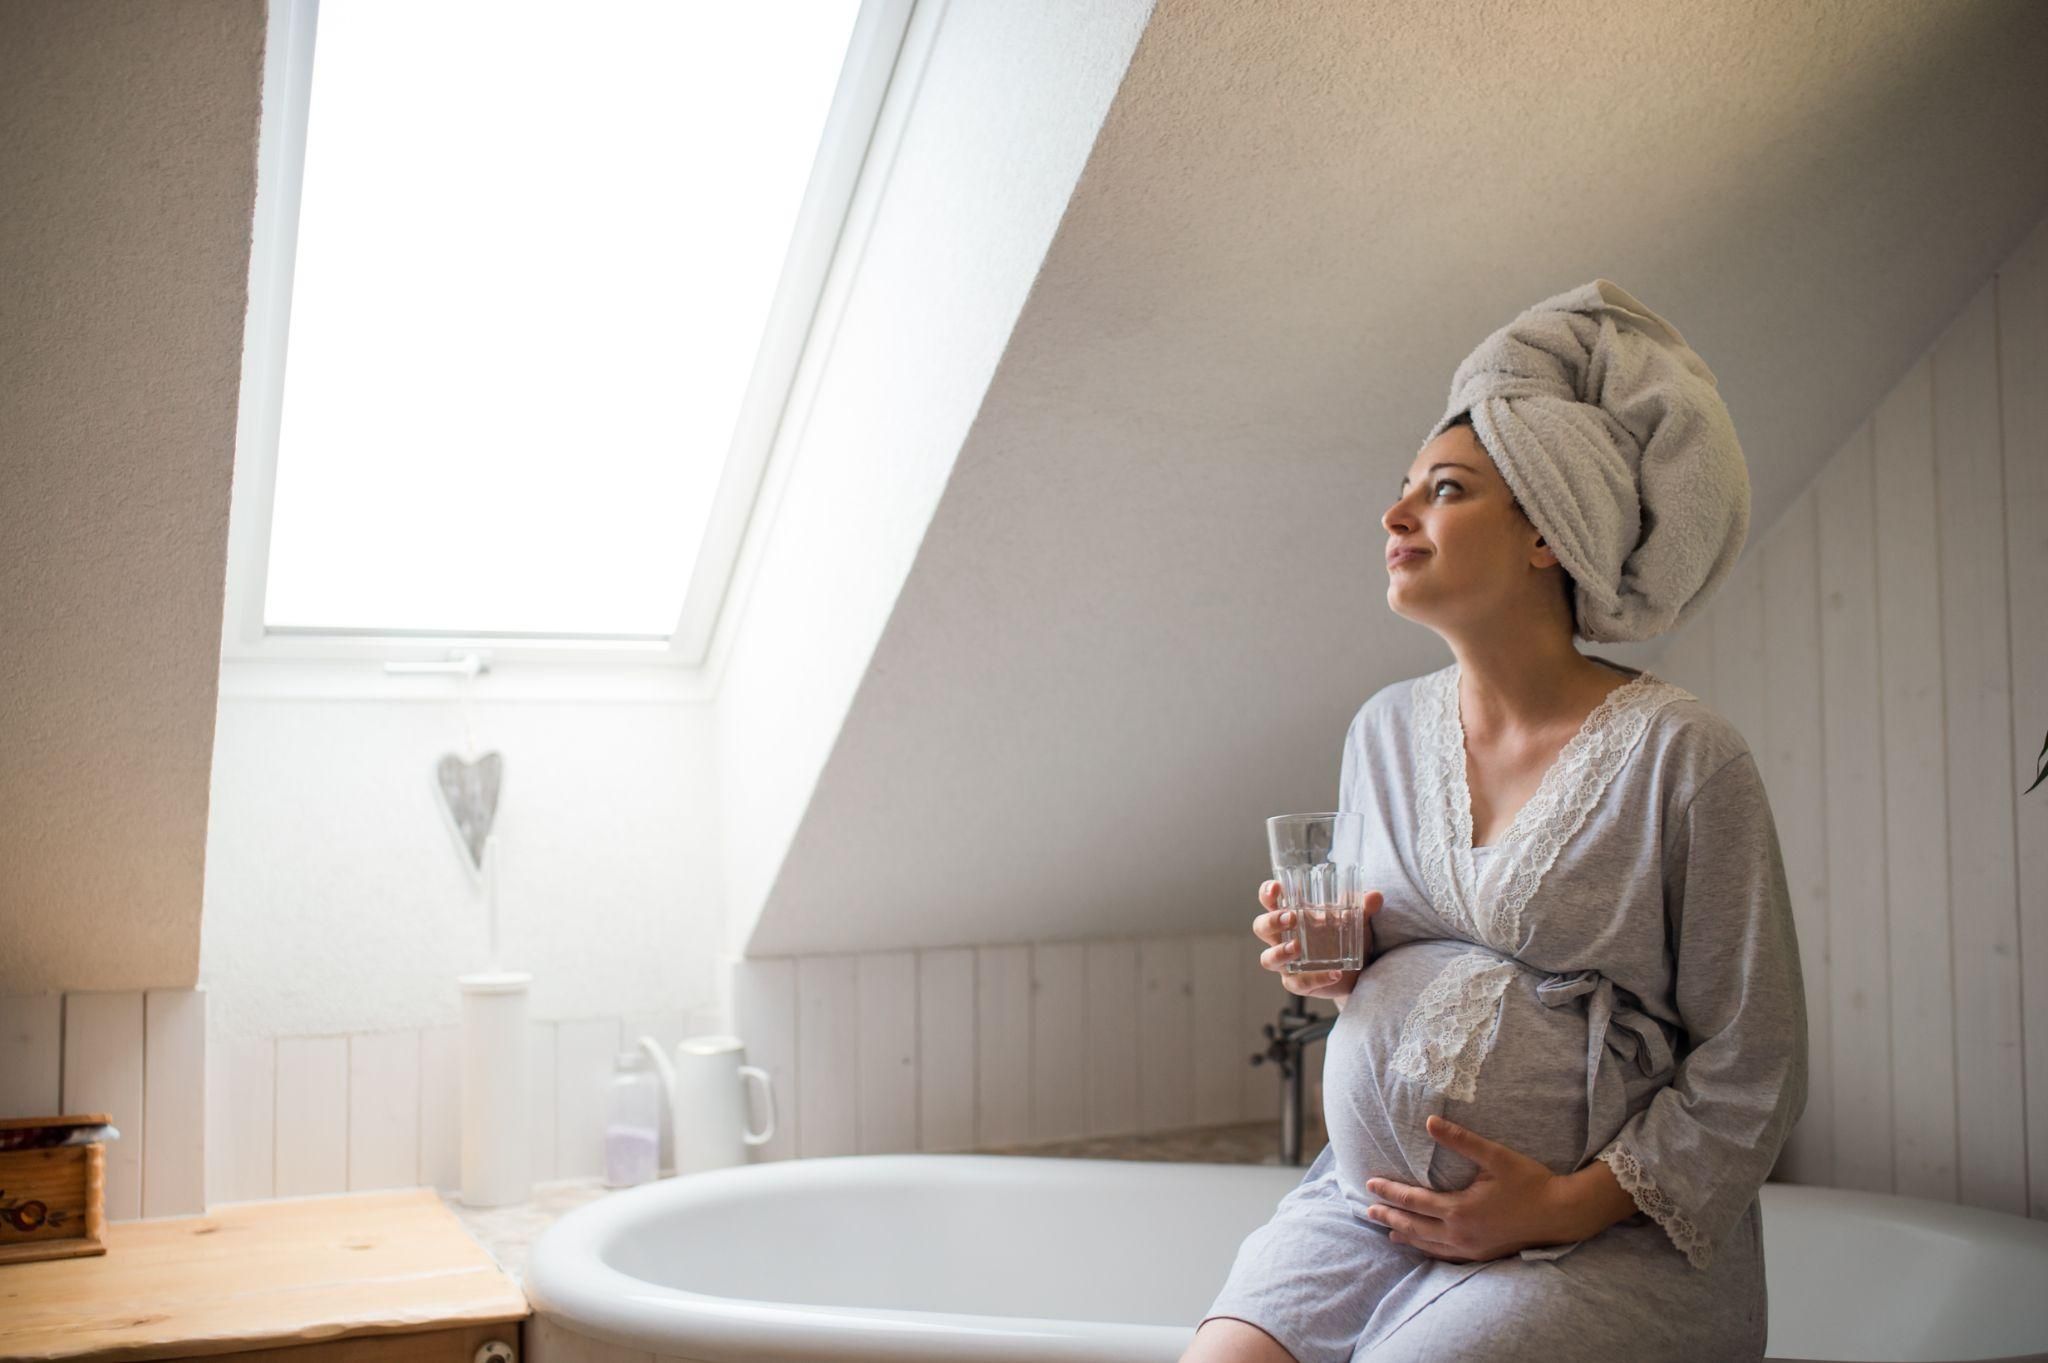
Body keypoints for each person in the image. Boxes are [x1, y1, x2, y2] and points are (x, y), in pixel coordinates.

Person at [1182, 280, 1809, 1363]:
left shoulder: (1680, 756)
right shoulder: (1381, 730)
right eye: (1404, 490)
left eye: (1444, 491)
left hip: (1601, 1239)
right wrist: (1327, 968)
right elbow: (1396, 958)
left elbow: (1754, 1059)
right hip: (1366, 1211)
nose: (1394, 515)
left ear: (1544, 536)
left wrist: (1561, 1205)